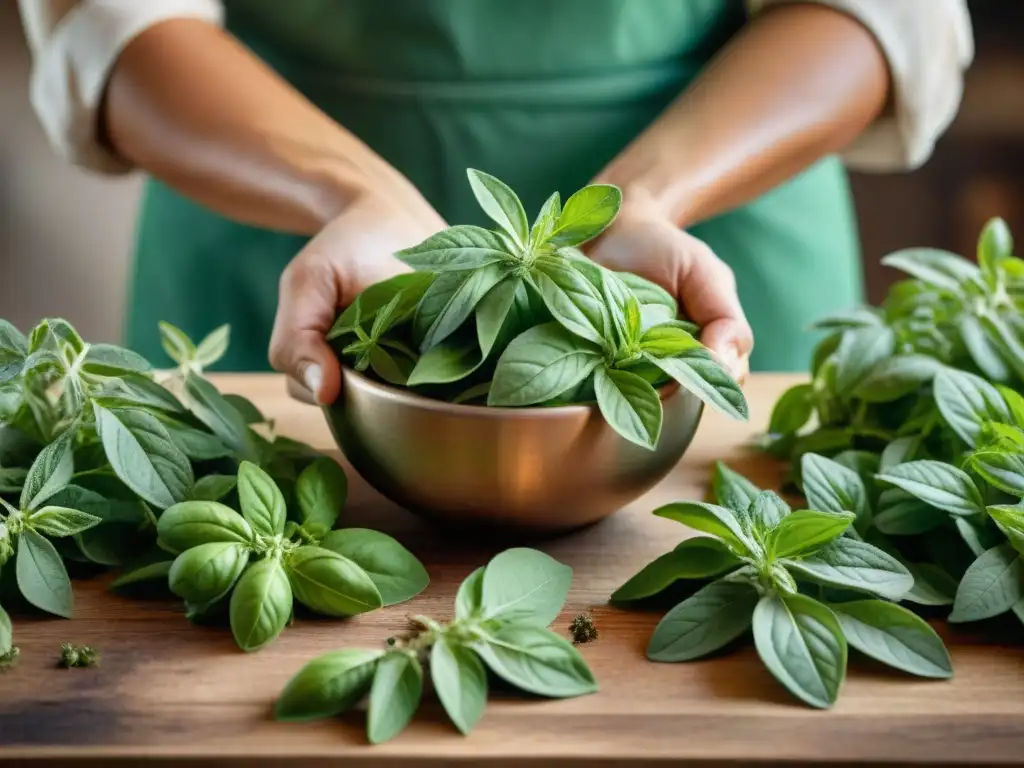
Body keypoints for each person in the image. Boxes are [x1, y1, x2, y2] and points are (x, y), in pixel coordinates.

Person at [20, 0, 972, 405]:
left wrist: (640, 199)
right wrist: (347, 190)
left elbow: (888, 12)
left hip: (708, 199)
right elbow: (112, 17)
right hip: (272, 198)